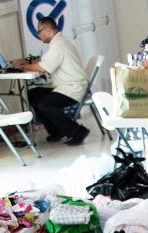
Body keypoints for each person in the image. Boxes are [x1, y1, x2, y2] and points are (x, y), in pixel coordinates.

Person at [14, 16, 91, 146]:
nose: (39, 35)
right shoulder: (58, 42)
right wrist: (26, 62)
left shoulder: (58, 45)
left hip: (72, 88)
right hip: (66, 86)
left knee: (45, 104)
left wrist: (22, 67)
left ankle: (78, 131)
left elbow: (43, 67)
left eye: (39, 31)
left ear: (48, 29)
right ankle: (57, 131)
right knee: (34, 94)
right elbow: (45, 61)